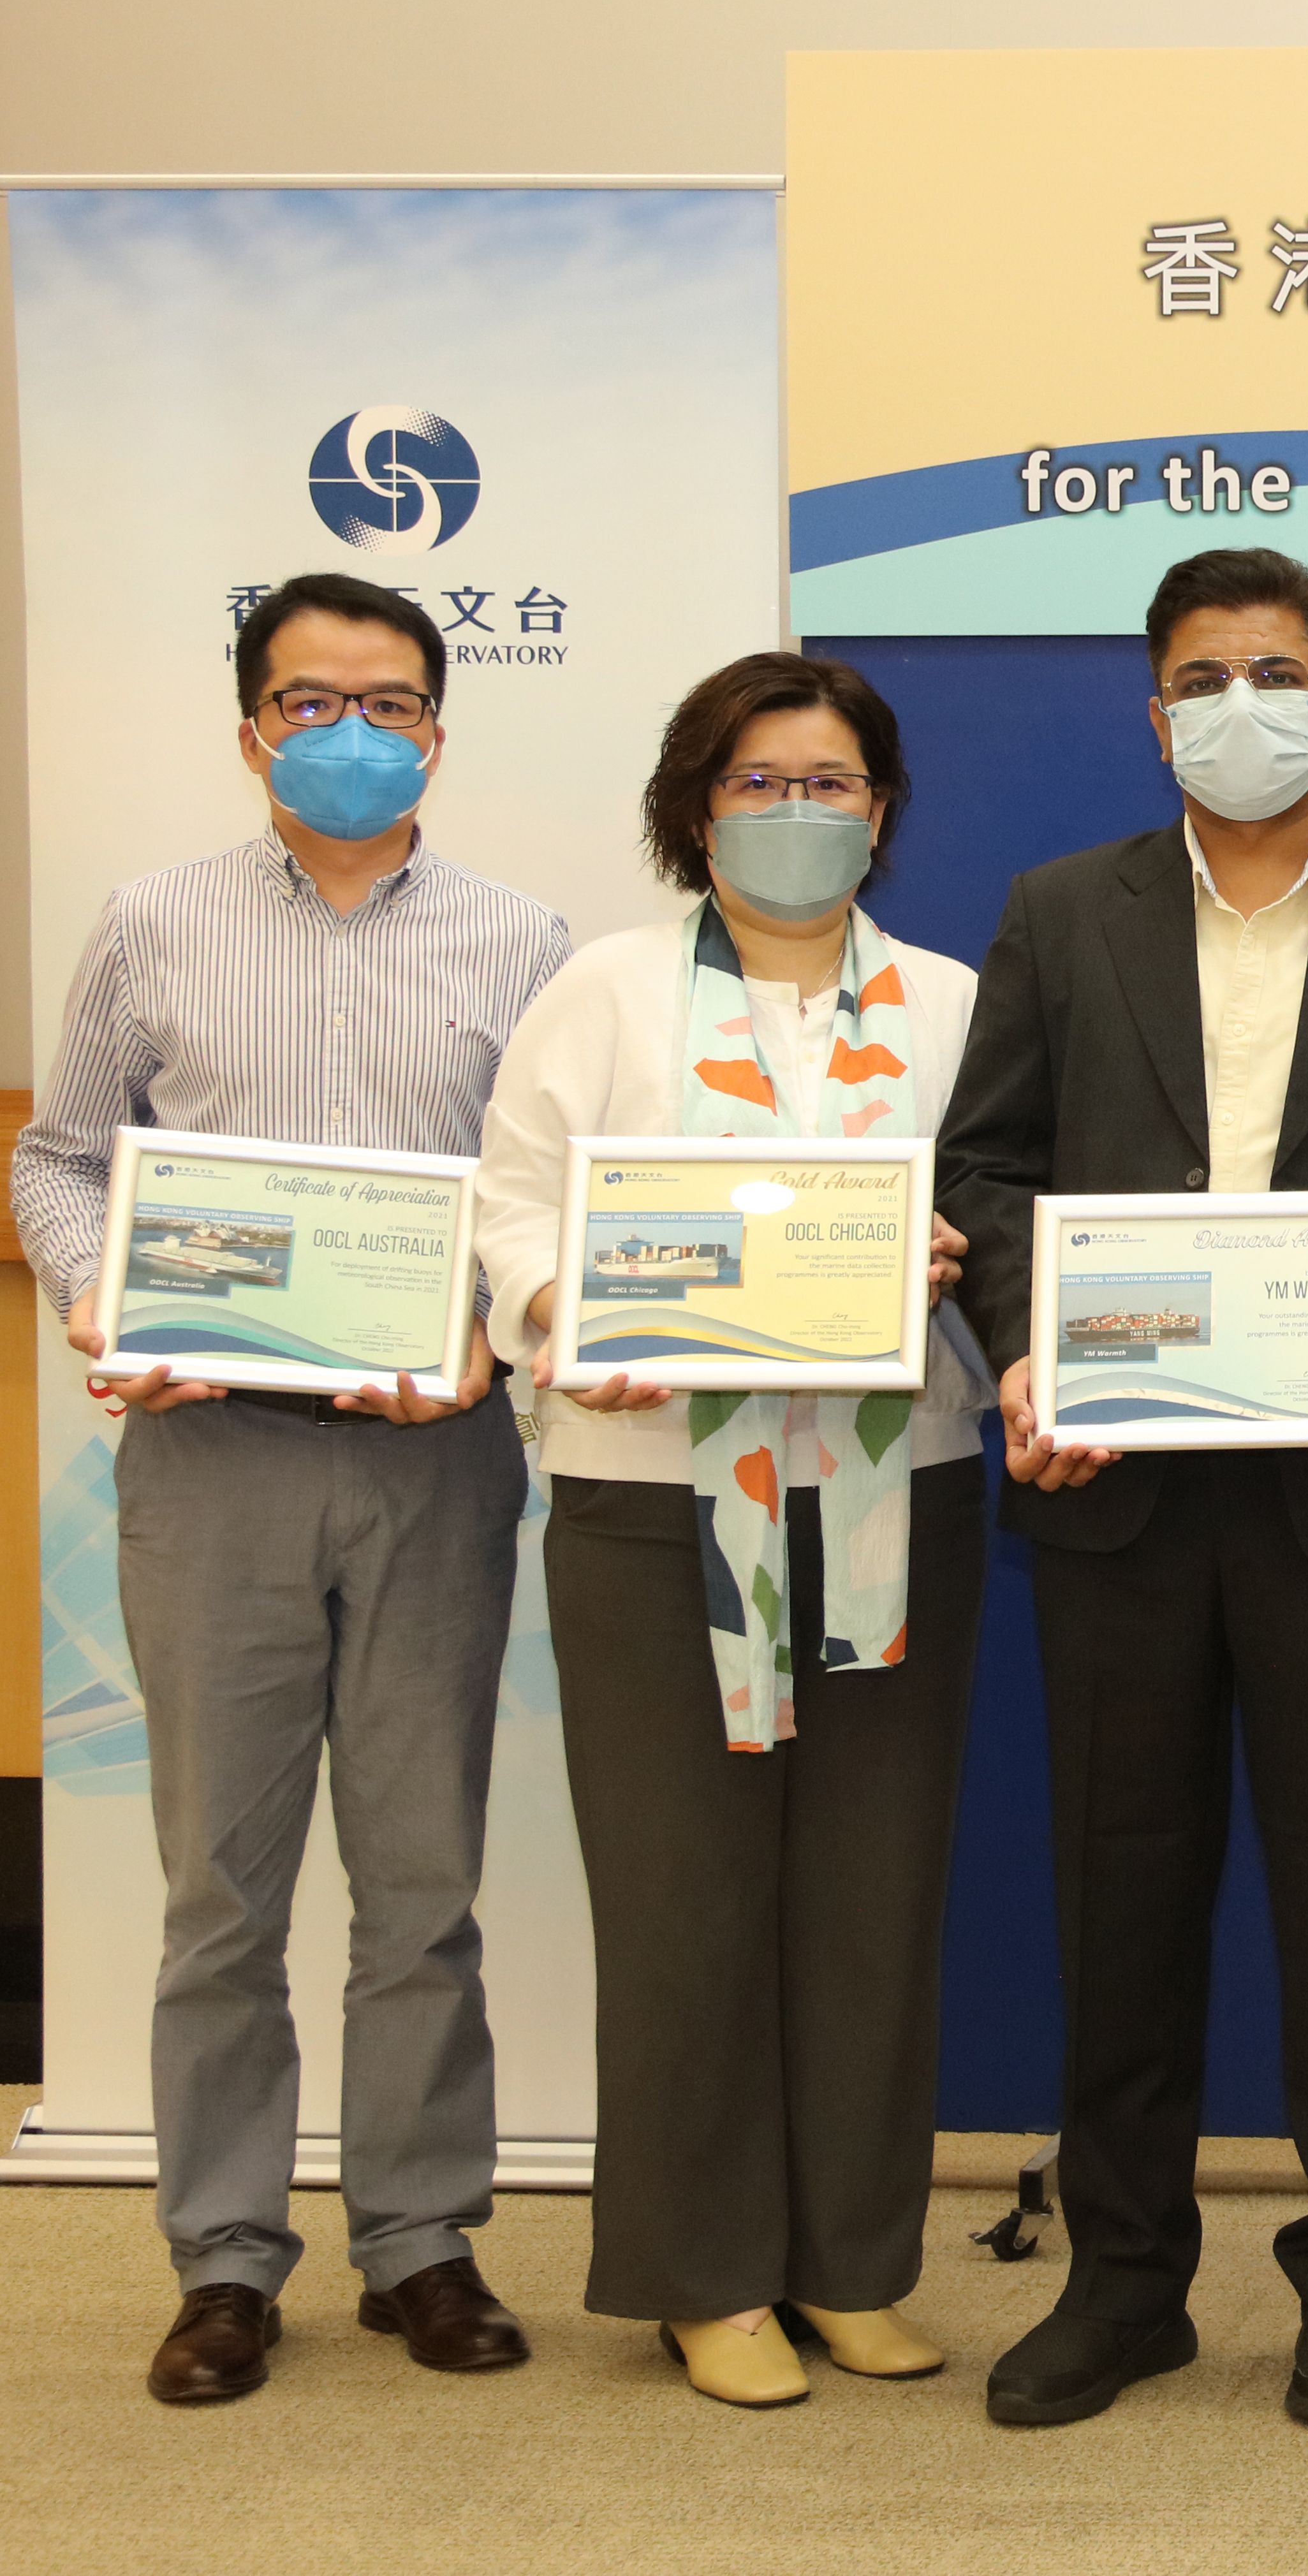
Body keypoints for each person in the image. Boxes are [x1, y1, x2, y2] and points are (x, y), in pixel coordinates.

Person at [937, 546, 1308, 2431]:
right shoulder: (1060, 910)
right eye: (1203, 676)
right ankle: (1127, 2278)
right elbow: (996, 1172)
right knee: (1124, 1900)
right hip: (1118, 1489)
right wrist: (1035, 1349)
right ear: (1156, 712)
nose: (1241, 705)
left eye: (1275, 671)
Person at [11, 573, 571, 2404]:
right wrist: (104, 1293)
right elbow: (59, 1157)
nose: (352, 729)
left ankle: (418, 2238)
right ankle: (227, 2259)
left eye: (390, 700)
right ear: (251, 725)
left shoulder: (524, 942)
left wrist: (507, 1315)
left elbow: (546, 1202)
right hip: (213, 1468)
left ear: (435, 727)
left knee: (423, 1882)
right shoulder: (152, 923)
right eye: (311, 699)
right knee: (222, 1894)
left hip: (433, 1467)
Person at [469, 652, 991, 2408]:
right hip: (650, 1506)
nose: (796, 813)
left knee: (871, 1891)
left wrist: (952, 1264)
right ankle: (706, 2276)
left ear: (882, 809)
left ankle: (851, 2262)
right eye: (759, 783)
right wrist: (572, 1311)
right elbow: (520, 1207)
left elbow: (1008, 1215)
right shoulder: (603, 995)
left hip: (896, 1497)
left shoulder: (953, 1003)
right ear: (698, 810)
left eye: (830, 782)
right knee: (688, 1900)